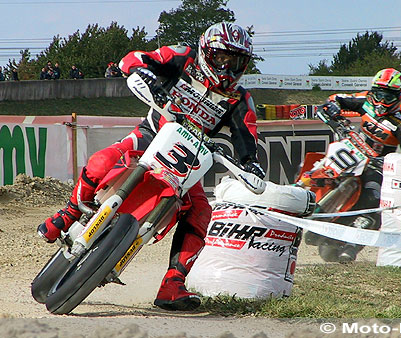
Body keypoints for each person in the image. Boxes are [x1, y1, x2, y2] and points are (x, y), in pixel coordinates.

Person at [37, 22, 264, 311]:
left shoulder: (241, 99)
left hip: (189, 158)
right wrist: (144, 74)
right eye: (222, 58)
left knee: (201, 211)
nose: (228, 68)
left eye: (237, 62)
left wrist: (251, 165)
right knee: (100, 161)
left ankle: (173, 284)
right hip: (150, 136)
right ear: (208, 53)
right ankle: (68, 213)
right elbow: (132, 59)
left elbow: (248, 141)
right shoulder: (182, 56)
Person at [313, 68, 401, 263]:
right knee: (315, 168)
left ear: (398, 97)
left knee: (373, 200)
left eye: (387, 96)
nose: (381, 100)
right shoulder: (366, 102)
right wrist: (333, 107)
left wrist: (390, 162)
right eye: (378, 94)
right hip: (350, 152)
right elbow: (336, 98)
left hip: (376, 166)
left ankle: (352, 244)